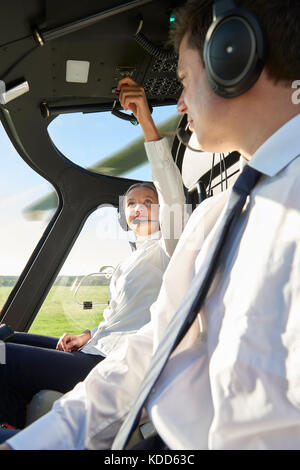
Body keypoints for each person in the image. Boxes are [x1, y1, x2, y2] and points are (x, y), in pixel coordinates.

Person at [1, 0, 300, 450]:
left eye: (182, 80)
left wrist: (145, 121)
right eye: (133, 206)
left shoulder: (181, 235)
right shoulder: (217, 219)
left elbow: (172, 198)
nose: (178, 103)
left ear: (232, 56)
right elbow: (151, 344)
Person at [0, 78, 186, 432]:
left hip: (113, 367)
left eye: (149, 201)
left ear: (165, 211)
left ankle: (10, 430)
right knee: (4, 337)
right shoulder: (132, 259)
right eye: (131, 203)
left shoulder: (170, 247)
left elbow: (171, 188)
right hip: (97, 348)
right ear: (124, 216)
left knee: (2, 359)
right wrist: (89, 333)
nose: (139, 208)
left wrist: (145, 119)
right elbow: (124, 319)